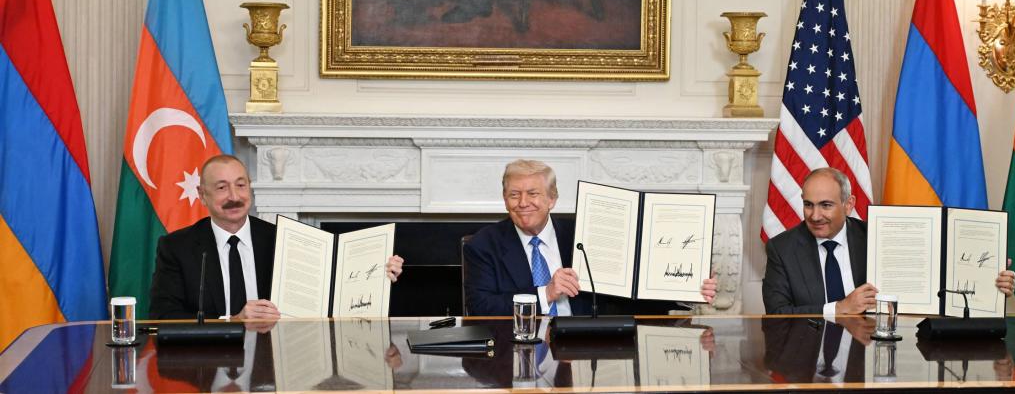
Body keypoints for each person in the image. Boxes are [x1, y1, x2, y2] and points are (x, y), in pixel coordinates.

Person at [148, 154, 405, 319]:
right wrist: (233, 321)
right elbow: (162, 318)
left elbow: (332, 292)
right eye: (222, 187)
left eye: (241, 185)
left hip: (274, 363)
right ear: (202, 195)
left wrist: (378, 272)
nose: (234, 196)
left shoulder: (283, 239)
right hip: (206, 369)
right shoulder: (177, 247)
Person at [463, 159, 717, 316]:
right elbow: (480, 308)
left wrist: (686, 289)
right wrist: (545, 293)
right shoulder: (483, 245)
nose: (523, 202)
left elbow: (624, 296)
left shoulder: (586, 233)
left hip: (585, 346)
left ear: (552, 199)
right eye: (514, 195)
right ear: (505, 199)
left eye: (533, 193)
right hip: (519, 349)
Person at [762, 167, 1015, 315]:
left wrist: (989, 283)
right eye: (808, 205)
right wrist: (839, 308)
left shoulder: (877, 236)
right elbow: (777, 313)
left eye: (825, 205)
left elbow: (934, 283)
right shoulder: (782, 249)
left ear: (848, 205)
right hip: (808, 357)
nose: (815, 216)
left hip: (874, 357)